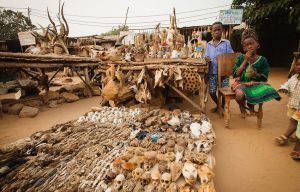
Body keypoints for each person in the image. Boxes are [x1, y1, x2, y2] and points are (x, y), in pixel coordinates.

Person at [232, 28, 281, 116]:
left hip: (256, 83)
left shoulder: (263, 60)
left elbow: (264, 77)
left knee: (265, 90)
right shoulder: (240, 58)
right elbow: (236, 73)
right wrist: (245, 60)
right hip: (241, 83)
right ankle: (243, 108)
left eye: (251, 43)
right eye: (247, 45)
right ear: (243, 48)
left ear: (257, 44)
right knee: (239, 95)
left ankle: (251, 107)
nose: (249, 46)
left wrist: (255, 74)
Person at [204, 22, 234, 112]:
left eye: (218, 29)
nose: (217, 32)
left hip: (224, 72)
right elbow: (206, 56)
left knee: (224, 92)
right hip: (212, 72)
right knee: (212, 92)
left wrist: (225, 58)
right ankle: (219, 105)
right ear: (212, 32)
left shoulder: (226, 43)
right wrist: (207, 58)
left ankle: (223, 106)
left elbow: (231, 55)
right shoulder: (208, 44)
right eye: (214, 30)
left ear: (222, 31)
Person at [276, 58, 300, 160]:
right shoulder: (294, 77)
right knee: (294, 120)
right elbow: (287, 83)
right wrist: (284, 87)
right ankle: (295, 136)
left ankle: (286, 135)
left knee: (294, 120)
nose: (298, 67)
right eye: (297, 65)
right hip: (293, 104)